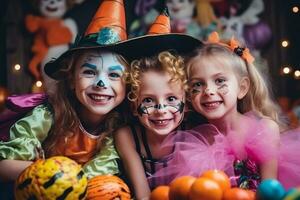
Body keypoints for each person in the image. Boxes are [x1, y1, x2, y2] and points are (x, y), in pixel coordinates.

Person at [0, 0, 131, 182]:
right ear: (71, 79)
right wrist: (56, 176)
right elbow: (5, 165)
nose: (101, 83)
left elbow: (97, 179)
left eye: (114, 75)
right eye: (89, 71)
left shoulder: (120, 128)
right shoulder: (48, 115)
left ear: (128, 84)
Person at [172, 31, 300, 190]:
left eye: (219, 81)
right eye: (197, 84)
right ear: (189, 94)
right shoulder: (191, 141)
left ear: (242, 88)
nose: (208, 91)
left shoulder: (264, 130)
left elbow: (269, 191)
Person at [113, 9, 202, 199]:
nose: (161, 110)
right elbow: (142, 195)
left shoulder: (192, 131)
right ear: (133, 106)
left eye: (171, 99)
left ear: (186, 103)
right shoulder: (128, 136)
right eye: (148, 100)